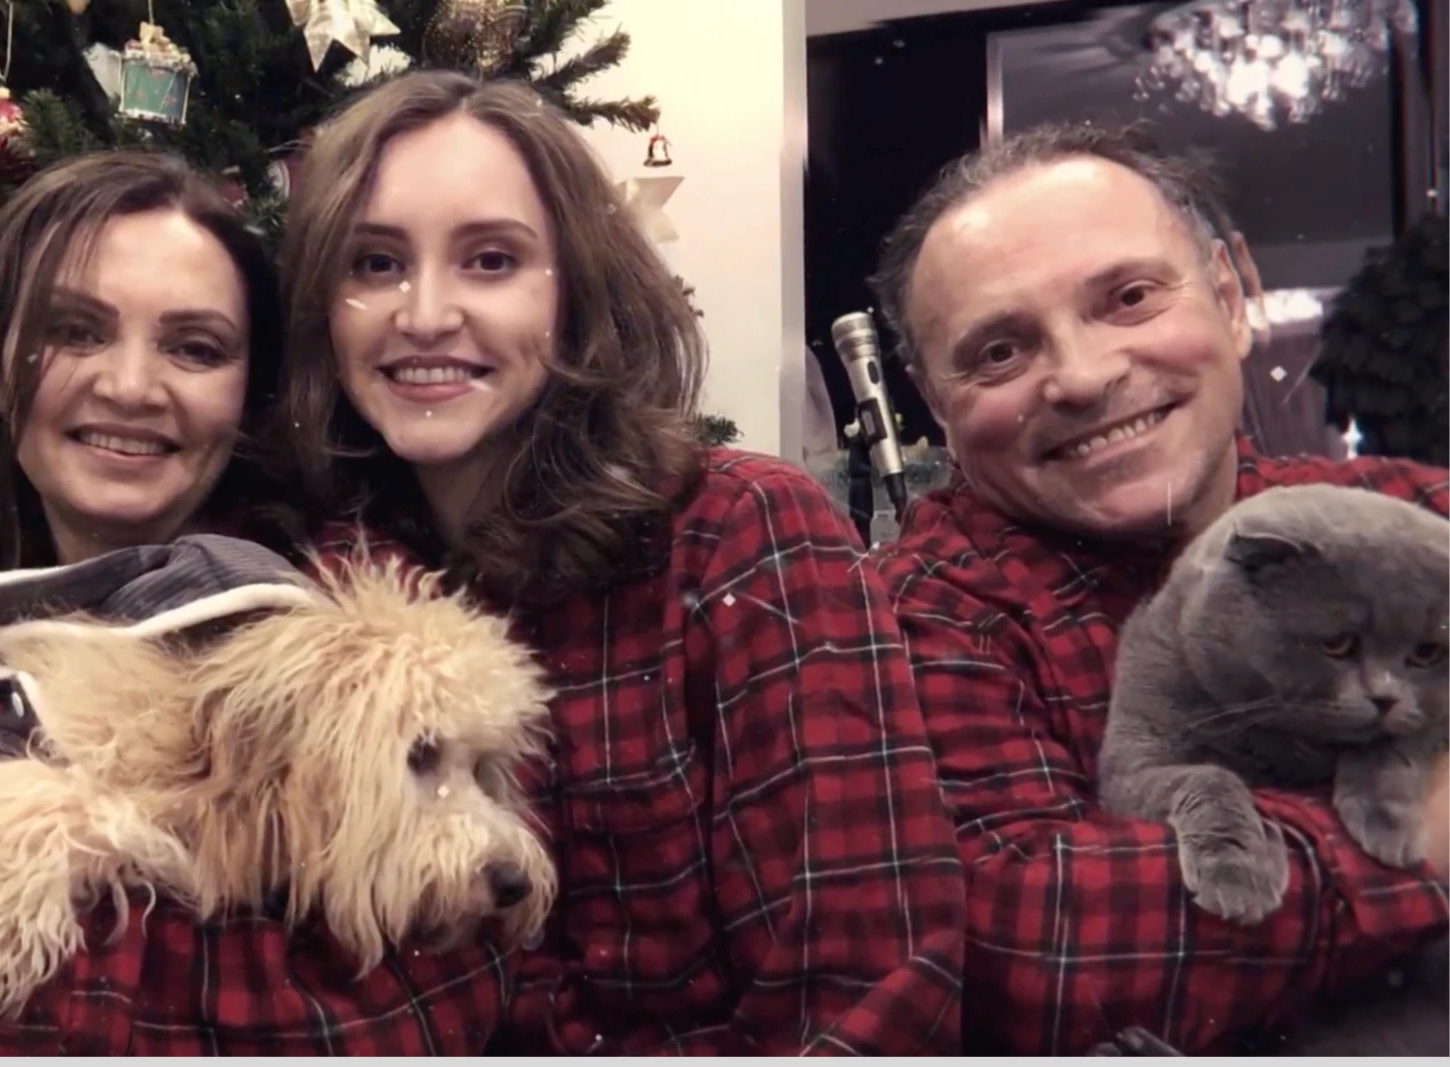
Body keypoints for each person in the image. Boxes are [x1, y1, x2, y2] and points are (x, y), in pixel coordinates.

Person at [270, 70, 966, 1054]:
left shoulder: (742, 534)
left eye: (490, 259)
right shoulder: (317, 588)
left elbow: (875, 984)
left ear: (576, 292)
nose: (423, 313)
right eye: (375, 263)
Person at [867, 122, 1450, 1055]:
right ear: (938, 408)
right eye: (1000, 353)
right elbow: (1025, 952)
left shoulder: (1404, 517)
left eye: (1130, 297)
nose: (1086, 376)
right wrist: (1413, 837)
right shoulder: (912, 622)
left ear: (1231, 294)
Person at [0, 151, 399, 1055]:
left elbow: (405, 1003)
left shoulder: (335, 638)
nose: (132, 387)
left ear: (247, 398)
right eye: (75, 330)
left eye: (195, 347)